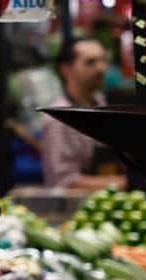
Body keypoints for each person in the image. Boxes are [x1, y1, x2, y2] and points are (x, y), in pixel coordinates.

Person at [39, 38, 122, 191]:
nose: (101, 68)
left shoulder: (101, 104)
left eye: (103, 60)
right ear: (66, 69)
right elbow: (64, 181)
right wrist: (123, 183)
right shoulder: (60, 119)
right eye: (90, 62)